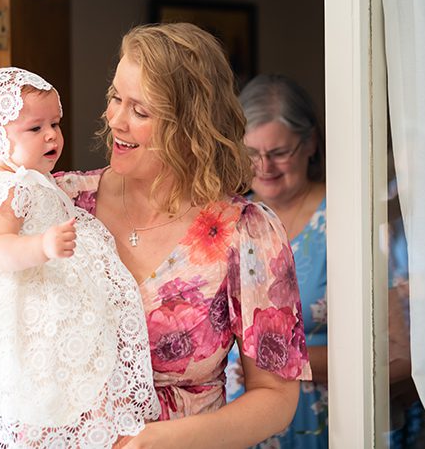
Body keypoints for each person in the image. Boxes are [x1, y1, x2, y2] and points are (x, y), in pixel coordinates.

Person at [54, 24, 310, 449]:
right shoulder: (62, 204)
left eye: (140, 110)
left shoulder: (246, 232)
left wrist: (160, 442)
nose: (115, 119)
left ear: (192, 125)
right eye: (115, 98)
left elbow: (276, 397)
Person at [0, 67, 160, 449]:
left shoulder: (32, 178)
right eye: (35, 129)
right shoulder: (5, 188)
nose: (51, 136)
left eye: (55, 124)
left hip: (50, 285)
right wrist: (41, 247)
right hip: (25, 298)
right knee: (44, 374)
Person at [225, 74, 328, 448]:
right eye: (252, 153)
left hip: (324, 422)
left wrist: (273, 365)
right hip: (240, 424)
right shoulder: (230, 219)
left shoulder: (347, 219)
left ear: (310, 144)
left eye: (279, 152)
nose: (264, 166)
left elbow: (394, 349)